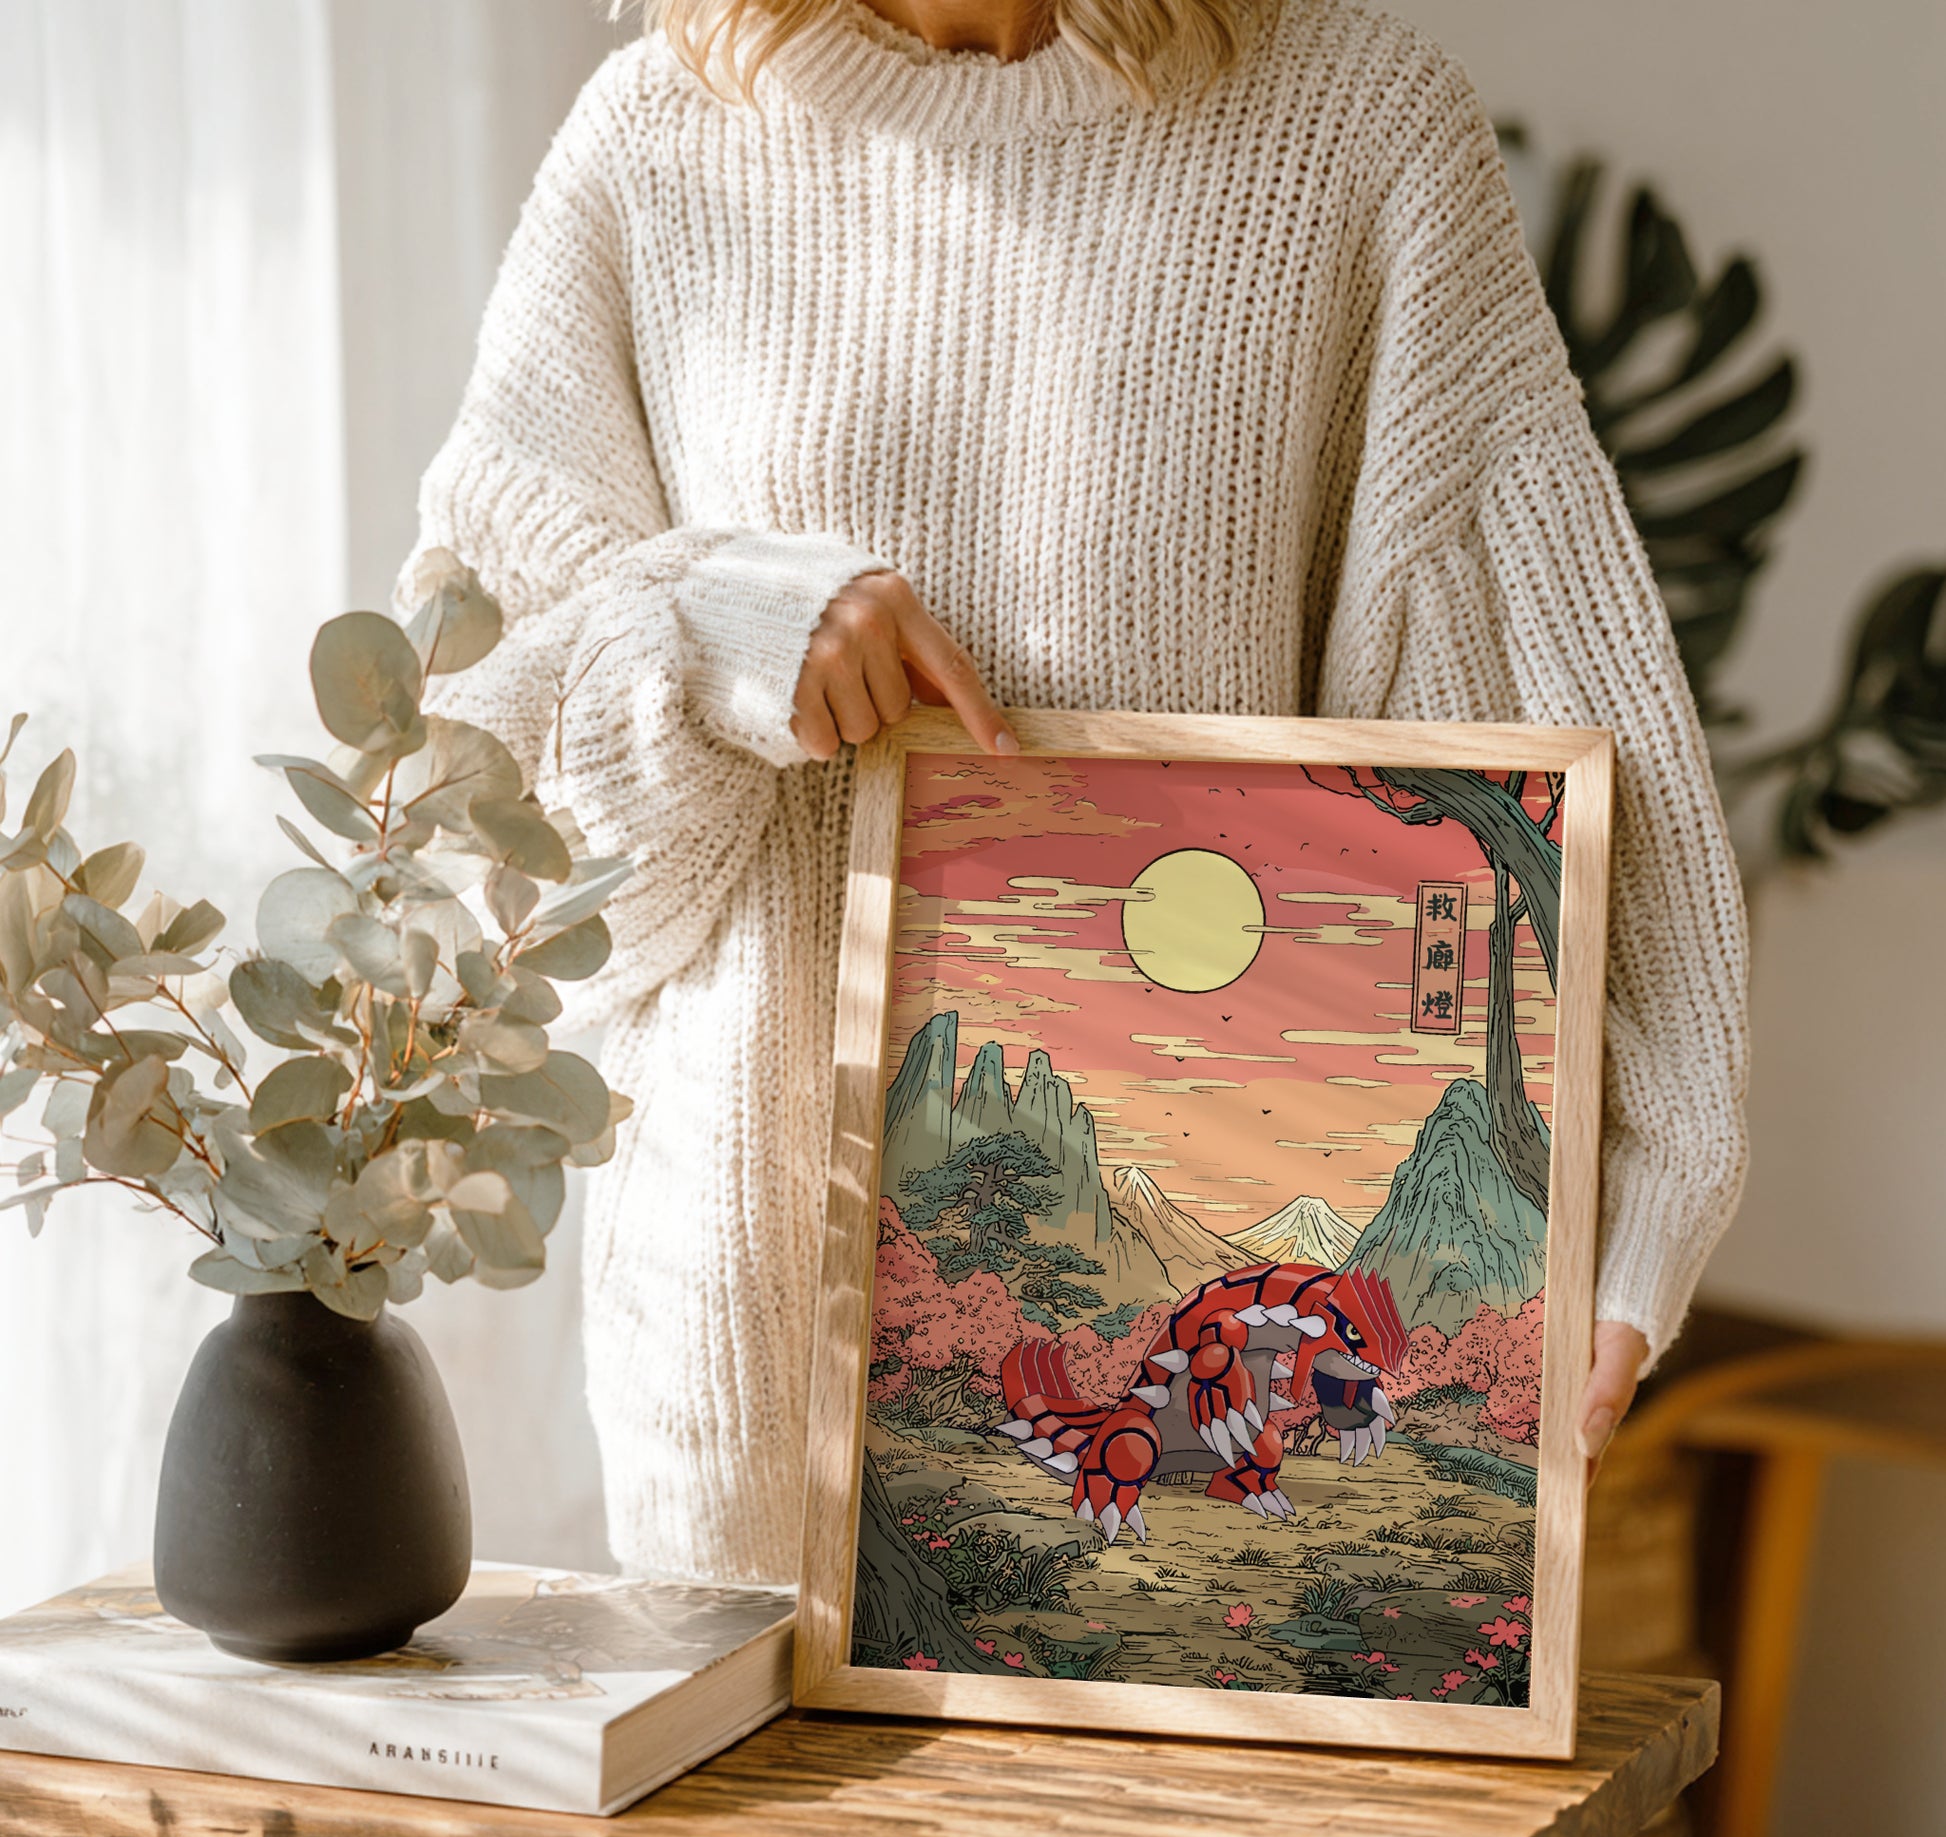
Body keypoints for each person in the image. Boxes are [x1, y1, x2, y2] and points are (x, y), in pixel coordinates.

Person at [396, 0, 1749, 1587]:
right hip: (739, 1355)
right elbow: (469, 828)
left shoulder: (1353, 129)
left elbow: (1536, 713)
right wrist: (710, 626)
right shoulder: (654, 141)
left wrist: (1637, 1184)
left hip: (1224, 1369)